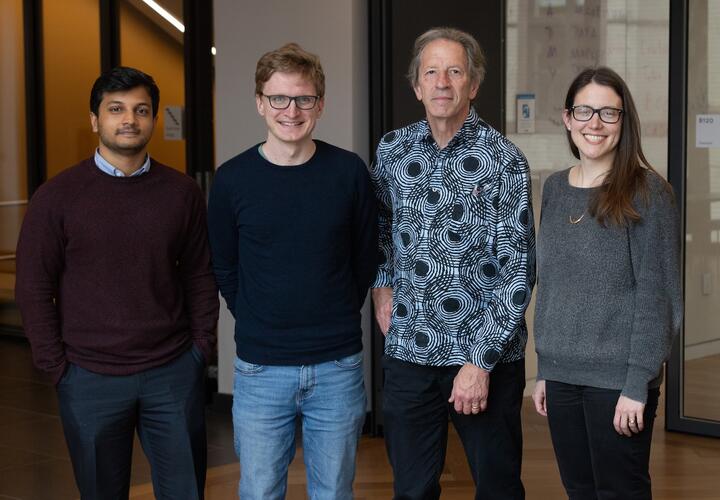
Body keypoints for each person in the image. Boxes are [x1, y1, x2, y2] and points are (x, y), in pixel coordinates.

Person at [14, 66, 219, 499]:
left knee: (186, 492)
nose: (130, 119)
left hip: (171, 371)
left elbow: (200, 274)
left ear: (153, 119)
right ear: (95, 120)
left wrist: (200, 349)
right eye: (116, 109)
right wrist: (58, 368)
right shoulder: (56, 197)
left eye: (141, 110)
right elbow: (33, 287)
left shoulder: (180, 193)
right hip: (88, 376)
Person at [207, 43, 378, 500]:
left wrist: (338, 309)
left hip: (337, 363)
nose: (291, 110)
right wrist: (254, 313)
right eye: (278, 98)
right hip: (261, 367)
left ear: (319, 104)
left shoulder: (348, 172)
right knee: (260, 490)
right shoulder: (232, 179)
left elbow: (366, 257)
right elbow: (224, 262)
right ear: (260, 102)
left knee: (334, 492)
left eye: (303, 99)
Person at [371, 27, 535, 499]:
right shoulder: (392, 150)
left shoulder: (504, 159)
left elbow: (518, 269)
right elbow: (381, 233)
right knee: (413, 490)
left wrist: (478, 363)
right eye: (431, 72)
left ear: (473, 85)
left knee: (498, 488)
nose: (442, 82)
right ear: (417, 86)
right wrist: (382, 287)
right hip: (410, 355)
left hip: (484, 359)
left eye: (455, 71)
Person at [531, 66, 682, 499]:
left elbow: (659, 296)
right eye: (584, 111)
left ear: (624, 122)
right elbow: (553, 284)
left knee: (621, 492)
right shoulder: (556, 188)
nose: (594, 123)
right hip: (561, 376)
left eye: (608, 113)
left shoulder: (650, 193)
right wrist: (545, 368)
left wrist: (638, 384)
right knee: (579, 490)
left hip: (619, 382)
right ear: (567, 119)